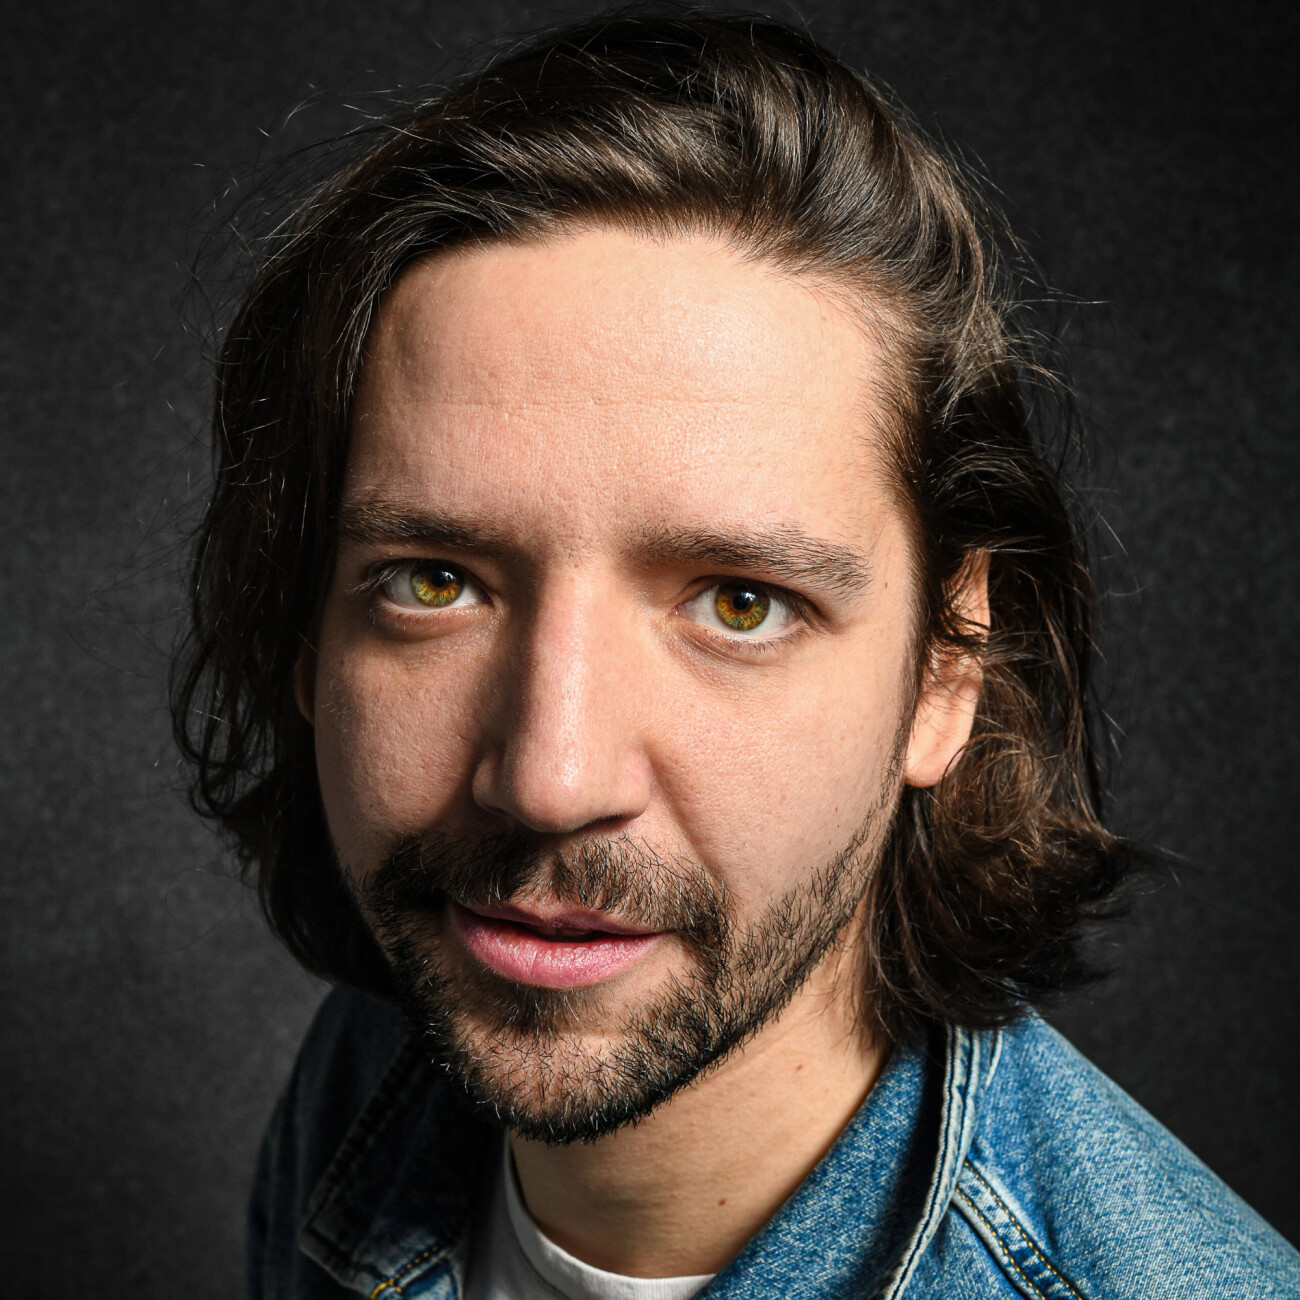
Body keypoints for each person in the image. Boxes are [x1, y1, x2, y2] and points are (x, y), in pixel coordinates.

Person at [172, 13, 1300, 1298]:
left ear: (946, 673)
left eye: (740, 604)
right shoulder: (378, 1064)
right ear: (306, 629)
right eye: (436, 583)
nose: (548, 779)